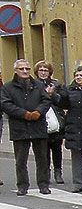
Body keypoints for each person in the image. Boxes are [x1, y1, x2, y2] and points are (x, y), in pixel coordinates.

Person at [2, 59, 52, 195]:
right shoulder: (8, 87)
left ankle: (43, 184)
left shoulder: (38, 85)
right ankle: (22, 186)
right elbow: (6, 104)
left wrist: (38, 112)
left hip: (38, 125)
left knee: (42, 158)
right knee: (20, 160)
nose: (25, 71)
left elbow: (46, 100)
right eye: (21, 69)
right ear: (16, 71)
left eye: (27, 69)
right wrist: (24, 114)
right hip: (19, 126)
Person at [34, 61, 66, 184]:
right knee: (43, 149)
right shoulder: (33, 85)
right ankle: (45, 172)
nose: (43, 72)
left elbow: (62, 102)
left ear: (49, 72)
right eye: (41, 70)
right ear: (37, 72)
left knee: (57, 148)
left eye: (45, 70)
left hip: (56, 120)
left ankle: (58, 172)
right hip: (41, 119)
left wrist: (52, 94)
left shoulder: (56, 85)